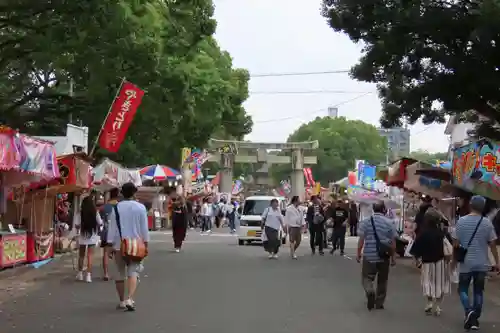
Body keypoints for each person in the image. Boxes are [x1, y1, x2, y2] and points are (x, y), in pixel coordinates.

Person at [452, 195, 499, 330]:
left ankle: (469, 311)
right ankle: (474, 317)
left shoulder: (461, 222)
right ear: (483, 207)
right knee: (478, 291)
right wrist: (497, 262)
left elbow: (456, 244)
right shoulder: (487, 223)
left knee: (462, 289)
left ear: (470, 205)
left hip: (466, 263)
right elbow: (493, 244)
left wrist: (454, 262)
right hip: (481, 264)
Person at [106, 182, 150, 311]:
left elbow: (112, 228)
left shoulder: (116, 208)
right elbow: (144, 228)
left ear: (121, 193)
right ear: (134, 193)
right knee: (133, 272)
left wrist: (109, 245)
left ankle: (121, 301)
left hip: (119, 245)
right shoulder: (140, 208)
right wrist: (146, 244)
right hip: (136, 245)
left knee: (120, 274)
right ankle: (130, 298)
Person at [410, 208, 452, 316]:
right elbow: (449, 249)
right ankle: (437, 305)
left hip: (427, 262)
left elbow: (415, 251)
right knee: (440, 284)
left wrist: (417, 262)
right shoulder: (442, 234)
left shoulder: (423, 234)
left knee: (427, 282)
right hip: (441, 263)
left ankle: (429, 302)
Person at [357, 201, 397, 310]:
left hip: (369, 255)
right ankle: (379, 303)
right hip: (384, 256)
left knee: (366, 277)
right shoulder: (389, 223)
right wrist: (393, 258)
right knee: (383, 280)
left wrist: (358, 253)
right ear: (384, 209)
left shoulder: (365, 222)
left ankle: (370, 291)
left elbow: (361, 240)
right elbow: (393, 242)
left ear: (373, 209)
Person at [75, 194, 103, 283]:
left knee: (81, 255)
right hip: (92, 236)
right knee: (90, 256)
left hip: (82, 235)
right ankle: (88, 276)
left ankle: (80, 274)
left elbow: (76, 225)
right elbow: (100, 223)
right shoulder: (95, 212)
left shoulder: (79, 213)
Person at [100, 188, 120, 281]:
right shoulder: (120, 206)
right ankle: (119, 273)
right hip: (117, 233)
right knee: (118, 253)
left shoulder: (104, 207)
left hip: (105, 232)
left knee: (105, 253)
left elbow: (100, 220)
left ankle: (106, 274)